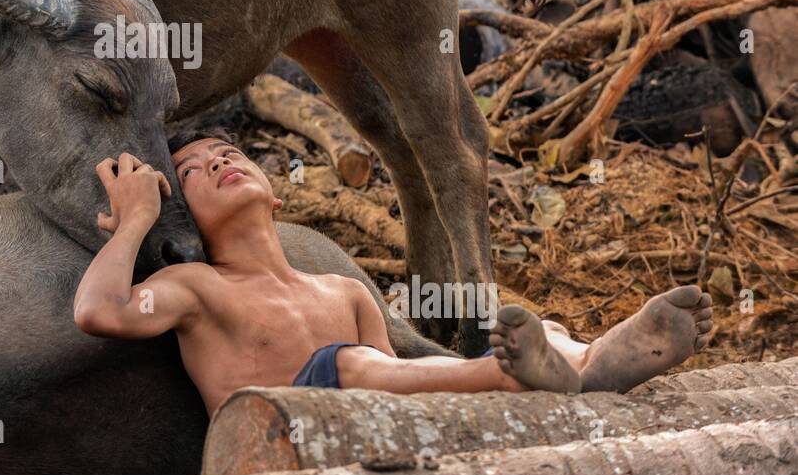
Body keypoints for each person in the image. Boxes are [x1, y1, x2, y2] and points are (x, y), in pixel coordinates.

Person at [73, 131, 713, 416]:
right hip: (274, 441)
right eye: (193, 171)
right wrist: (135, 219)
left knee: (525, 329)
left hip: (357, 426)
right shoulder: (198, 288)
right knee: (348, 364)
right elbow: (99, 312)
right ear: (186, 215)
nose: (217, 164)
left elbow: (402, 390)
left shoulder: (343, 290)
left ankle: (593, 357)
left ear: (273, 193)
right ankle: (517, 370)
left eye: (229, 153)